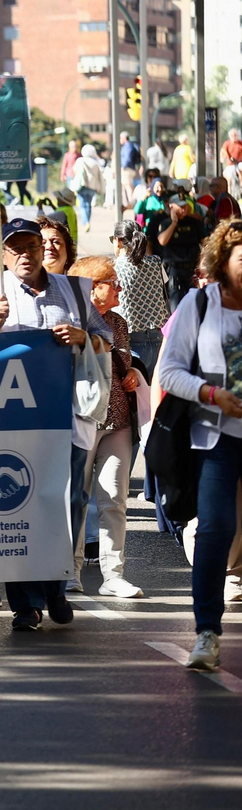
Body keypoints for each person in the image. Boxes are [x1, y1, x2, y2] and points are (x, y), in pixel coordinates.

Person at [0, 219, 112, 631]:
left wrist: (83, 337)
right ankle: (25, 603)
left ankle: (54, 584)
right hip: (10, 421)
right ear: (5, 254)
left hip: (66, 413)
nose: (26, 255)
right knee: (17, 504)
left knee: (67, 502)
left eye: (32, 245)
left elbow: (108, 339)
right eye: (15, 248)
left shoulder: (75, 291)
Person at [160, 222, 242, 670]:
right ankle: (207, 632)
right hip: (217, 438)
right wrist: (213, 395)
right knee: (215, 528)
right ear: (224, 263)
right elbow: (170, 372)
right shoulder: (201, 303)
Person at [66, 255, 144, 599]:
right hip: (81, 420)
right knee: (75, 499)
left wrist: (128, 374)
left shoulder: (118, 321)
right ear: (91, 287)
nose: (119, 287)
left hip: (118, 422)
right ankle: (70, 572)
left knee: (114, 499)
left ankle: (114, 574)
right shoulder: (67, 323)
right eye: (112, 282)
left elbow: (123, 360)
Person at [110, 220, 169, 371]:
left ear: (118, 241)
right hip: (158, 338)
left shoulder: (114, 268)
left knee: (138, 393)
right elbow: (164, 288)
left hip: (130, 341)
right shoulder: (156, 262)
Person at [157, 195, 205, 304]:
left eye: (185, 206)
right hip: (175, 270)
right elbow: (162, 241)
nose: (184, 209)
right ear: (171, 207)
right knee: (176, 305)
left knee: (195, 304)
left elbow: (204, 243)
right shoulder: (165, 223)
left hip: (192, 269)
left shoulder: (195, 222)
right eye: (180, 206)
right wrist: (174, 223)